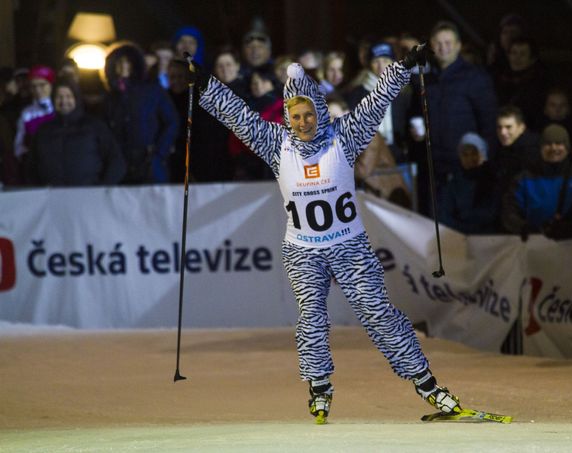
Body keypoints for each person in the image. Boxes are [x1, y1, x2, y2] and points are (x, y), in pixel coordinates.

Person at [197, 46, 470, 423]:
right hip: (303, 251)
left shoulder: (344, 137)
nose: (303, 121)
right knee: (311, 316)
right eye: (296, 116)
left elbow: (377, 101)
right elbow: (238, 116)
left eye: (309, 113)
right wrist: (205, 85)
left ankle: (426, 383)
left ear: (320, 111)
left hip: (349, 245)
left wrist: (404, 67)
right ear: (287, 118)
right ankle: (319, 387)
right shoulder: (277, 144)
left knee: (377, 312)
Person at [419, 21, 497, 196]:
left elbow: (489, 122)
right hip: (435, 168)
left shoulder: (475, 78)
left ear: (458, 46)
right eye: (438, 43)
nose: (443, 48)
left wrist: (484, 160)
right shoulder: (427, 79)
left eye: (448, 43)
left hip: (465, 167)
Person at [102, 41, 179, 184]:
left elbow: (172, 121)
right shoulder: (110, 98)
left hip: (149, 163)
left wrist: (159, 152)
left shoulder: (152, 90)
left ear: (135, 64)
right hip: (120, 165)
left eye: (128, 62)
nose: (124, 66)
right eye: (119, 62)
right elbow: (104, 131)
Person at [26, 78, 125, 186]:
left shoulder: (94, 127)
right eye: (59, 97)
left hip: (88, 196)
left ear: (76, 99)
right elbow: (31, 166)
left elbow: (116, 160)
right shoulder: (43, 131)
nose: (64, 101)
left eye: (69, 96)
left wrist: (102, 188)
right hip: (52, 198)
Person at [501, 124, 572, 236]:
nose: (553, 148)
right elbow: (509, 211)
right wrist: (524, 227)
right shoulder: (524, 179)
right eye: (548, 144)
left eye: (559, 143)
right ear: (540, 148)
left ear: (567, 148)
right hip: (535, 243)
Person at [345, 42, 413, 164]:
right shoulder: (357, 93)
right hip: (369, 156)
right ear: (369, 65)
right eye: (376, 61)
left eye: (385, 60)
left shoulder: (404, 91)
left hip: (399, 156)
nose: (381, 66)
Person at [438, 132, 499, 234]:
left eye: (474, 153)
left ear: (482, 154)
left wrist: (468, 217)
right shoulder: (453, 184)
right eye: (465, 154)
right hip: (459, 238)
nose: (470, 159)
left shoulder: (492, 181)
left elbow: (492, 213)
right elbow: (445, 216)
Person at [493, 105, 539, 197]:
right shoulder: (503, 149)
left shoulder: (532, 153)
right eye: (499, 127)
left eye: (508, 127)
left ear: (521, 128)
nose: (503, 132)